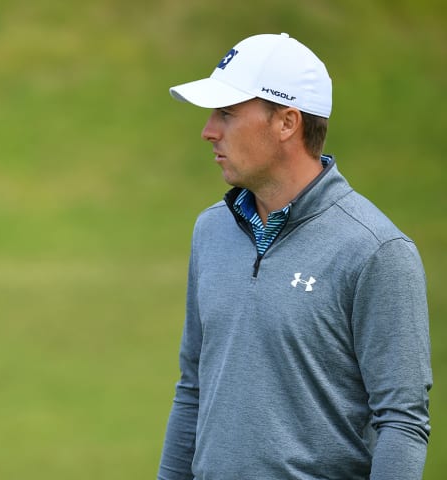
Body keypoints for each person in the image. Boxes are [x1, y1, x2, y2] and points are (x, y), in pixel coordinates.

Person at [157, 33, 431, 479]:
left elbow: (401, 422)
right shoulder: (211, 230)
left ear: (287, 123)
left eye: (226, 113)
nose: (208, 130)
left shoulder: (376, 251)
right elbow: (193, 390)